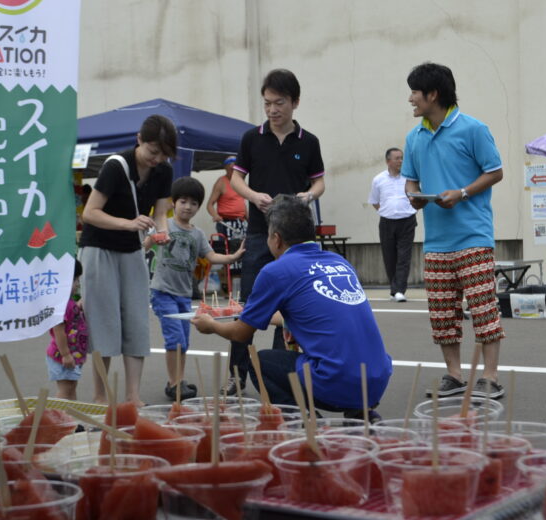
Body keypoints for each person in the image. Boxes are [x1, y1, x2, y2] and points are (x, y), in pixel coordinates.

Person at [192, 195, 391, 419]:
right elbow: (309, 316)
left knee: (261, 363)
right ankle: (361, 416)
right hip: (377, 378)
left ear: (276, 239)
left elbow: (240, 333)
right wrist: (253, 313)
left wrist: (210, 325)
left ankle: (307, 426)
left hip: (336, 381)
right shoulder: (339, 262)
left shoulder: (276, 271)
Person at [402, 62, 506, 399]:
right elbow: (411, 181)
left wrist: (461, 193)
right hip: (435, 241)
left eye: (415, 93)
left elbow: (495, 172)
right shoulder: (414, 137)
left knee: (483, 308)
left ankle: (489, 377)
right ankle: (454, 375)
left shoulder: (474, 129)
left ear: (432, 94)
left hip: (473, 236)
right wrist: (414, 198)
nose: (410, 99)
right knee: (442, 312)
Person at [226, 68, 326, 394]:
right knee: (250, 306)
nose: (272, 110)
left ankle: (282, 374)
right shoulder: (251, 138)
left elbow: (319, 182)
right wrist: (253, 196)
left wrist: (308, 196)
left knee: (291, 306)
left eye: (279, 103)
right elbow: (236, 179)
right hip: (259, 234)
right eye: (267, 103)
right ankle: (236, 376)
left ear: (295, 102)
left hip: (296, 239)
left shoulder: (308, 142)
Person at [80, 115, 177, 405]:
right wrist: (128, 223)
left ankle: (133, 396)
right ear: (138, 140)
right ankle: (100, 396)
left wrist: (163, 232)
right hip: (99, 249)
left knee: (136, 321)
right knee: (102, 323)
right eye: (152, 151)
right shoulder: (115, 166)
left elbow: (160, 213)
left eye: (164, 154)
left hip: (133, 251)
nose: (157, 159)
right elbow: (90, 213)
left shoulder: (163, 171)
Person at [147, 176, 246, 400]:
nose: (188, 207)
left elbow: (210, 255)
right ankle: (174, 384)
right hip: (163, 291)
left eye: (193, 203)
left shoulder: (198, 233)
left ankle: (178, 380)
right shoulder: (165, 225)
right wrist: (152, 239)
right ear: (174, 202)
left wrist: (232, 257)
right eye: (183, 201)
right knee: (175, 340)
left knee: (185, 340)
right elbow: (146, 243)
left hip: (184, 294)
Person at [369, 147, 417, 302]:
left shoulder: (409, 177)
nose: (400, 161)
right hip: (387, 222)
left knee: (404, 256)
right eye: (397, 158)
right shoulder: (378, 179)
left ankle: (400, 290)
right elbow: (375, 202)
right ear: (388, 161)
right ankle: (394, 288)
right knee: (389, 256)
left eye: (402, 158)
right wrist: (386, 211)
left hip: (407, 220)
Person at [45, 259, 88, 400]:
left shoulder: (68, 303)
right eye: (74, 279)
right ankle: (58, 418)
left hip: (72, 355)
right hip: (62, 356)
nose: (77, 284)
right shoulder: (60, 304)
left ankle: (70, 418)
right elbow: (58, 331)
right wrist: (66, 354)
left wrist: (77, 306)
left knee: (71, 387)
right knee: (65, 389)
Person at [206, 156, 247, 294]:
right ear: (226, 169)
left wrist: (250, 221)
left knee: (243, 252)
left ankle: (240, 286)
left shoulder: (240, 182)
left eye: (234, 169)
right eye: (230, 169)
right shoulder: (221, 182)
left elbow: (242, 204)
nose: (232, 171)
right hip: (226, 223)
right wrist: (215, 215)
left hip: (240, 222)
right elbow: (210, 204)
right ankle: (227, 286)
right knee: (229, 252)